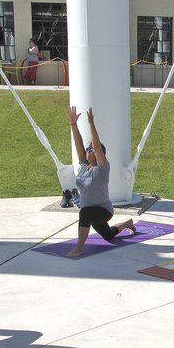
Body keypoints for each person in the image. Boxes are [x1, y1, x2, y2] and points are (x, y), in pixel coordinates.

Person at [66, 106, 136, 257]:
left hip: (103, 211)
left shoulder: (102, 168)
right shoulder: (84, 166)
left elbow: (97, 146)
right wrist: (73, 124)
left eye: (92, 149)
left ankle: (79, 248)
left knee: (84, 213)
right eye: (88, 149)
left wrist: (91, 123)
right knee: (109, 235)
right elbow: (79, 145)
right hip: (92, 212)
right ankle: (127, 223)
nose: (89, 150)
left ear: (100, 155)